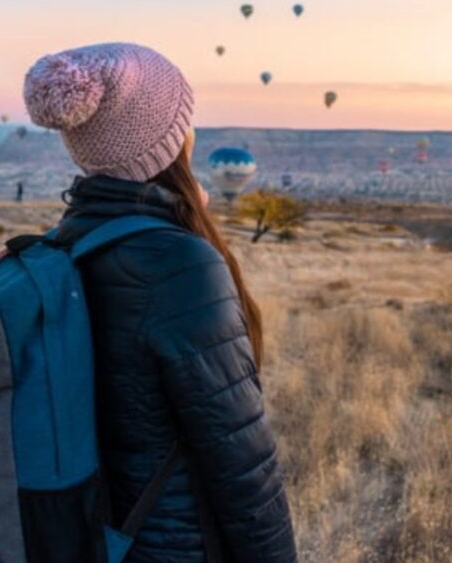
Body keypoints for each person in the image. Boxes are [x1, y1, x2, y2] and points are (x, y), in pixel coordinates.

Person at [23, 43, 297, 563]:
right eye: (185, 118)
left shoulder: (69, 241)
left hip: (99, 538)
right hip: (174, 546)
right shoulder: (180, 264)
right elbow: (241, 462)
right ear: (169, 140)